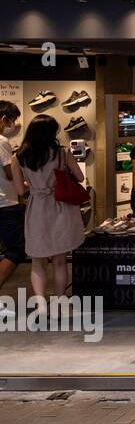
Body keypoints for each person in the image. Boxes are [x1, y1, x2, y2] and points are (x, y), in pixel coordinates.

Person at [17, 115, 85, 307]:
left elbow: (20, 191)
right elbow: (79, 177)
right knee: (60, 260)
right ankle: (59, 302)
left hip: (37, 208)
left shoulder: (19, 156)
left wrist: (34, 184)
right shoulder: (62, 153)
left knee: (37, 261)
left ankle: (41, 305)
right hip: (60, 206)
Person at [0, 101, 26, 292]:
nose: (11, 127)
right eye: (11, 122)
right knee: (16, 251)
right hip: (5, 204)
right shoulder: (2, 142)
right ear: (3, 119)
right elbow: (10, 174)